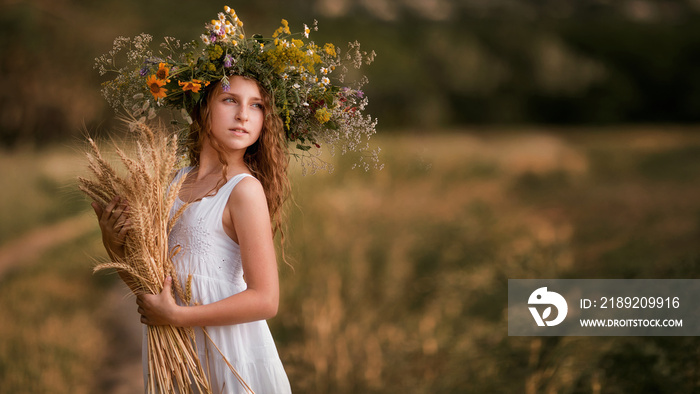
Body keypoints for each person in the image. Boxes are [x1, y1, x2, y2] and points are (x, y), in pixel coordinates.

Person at [93, 75, 292, 393]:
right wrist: (113, 244)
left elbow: (266, 300)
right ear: (202, 108)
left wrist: (177, 316)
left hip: (231, 354)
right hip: (175, 355)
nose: (243, 114)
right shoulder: (171, 184)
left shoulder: (244, 190)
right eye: (230, 100)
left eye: (256, 106)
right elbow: (152, 286)